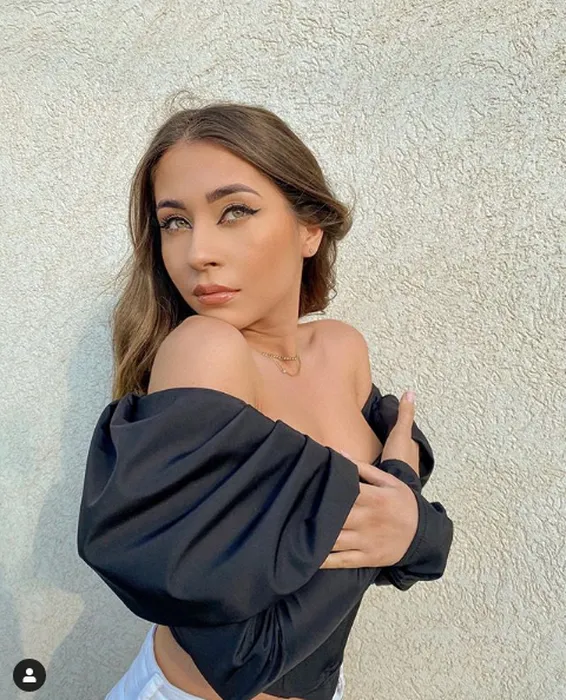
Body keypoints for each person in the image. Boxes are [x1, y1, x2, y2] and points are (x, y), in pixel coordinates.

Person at [77, 99, 453, 700]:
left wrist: (408, 527)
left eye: (234, 211)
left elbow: (369, 545)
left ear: (309, 229)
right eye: (174, 221)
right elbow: (243, 656)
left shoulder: (341, 348)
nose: (197, 252)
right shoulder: (205, 351)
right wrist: (403, 500)